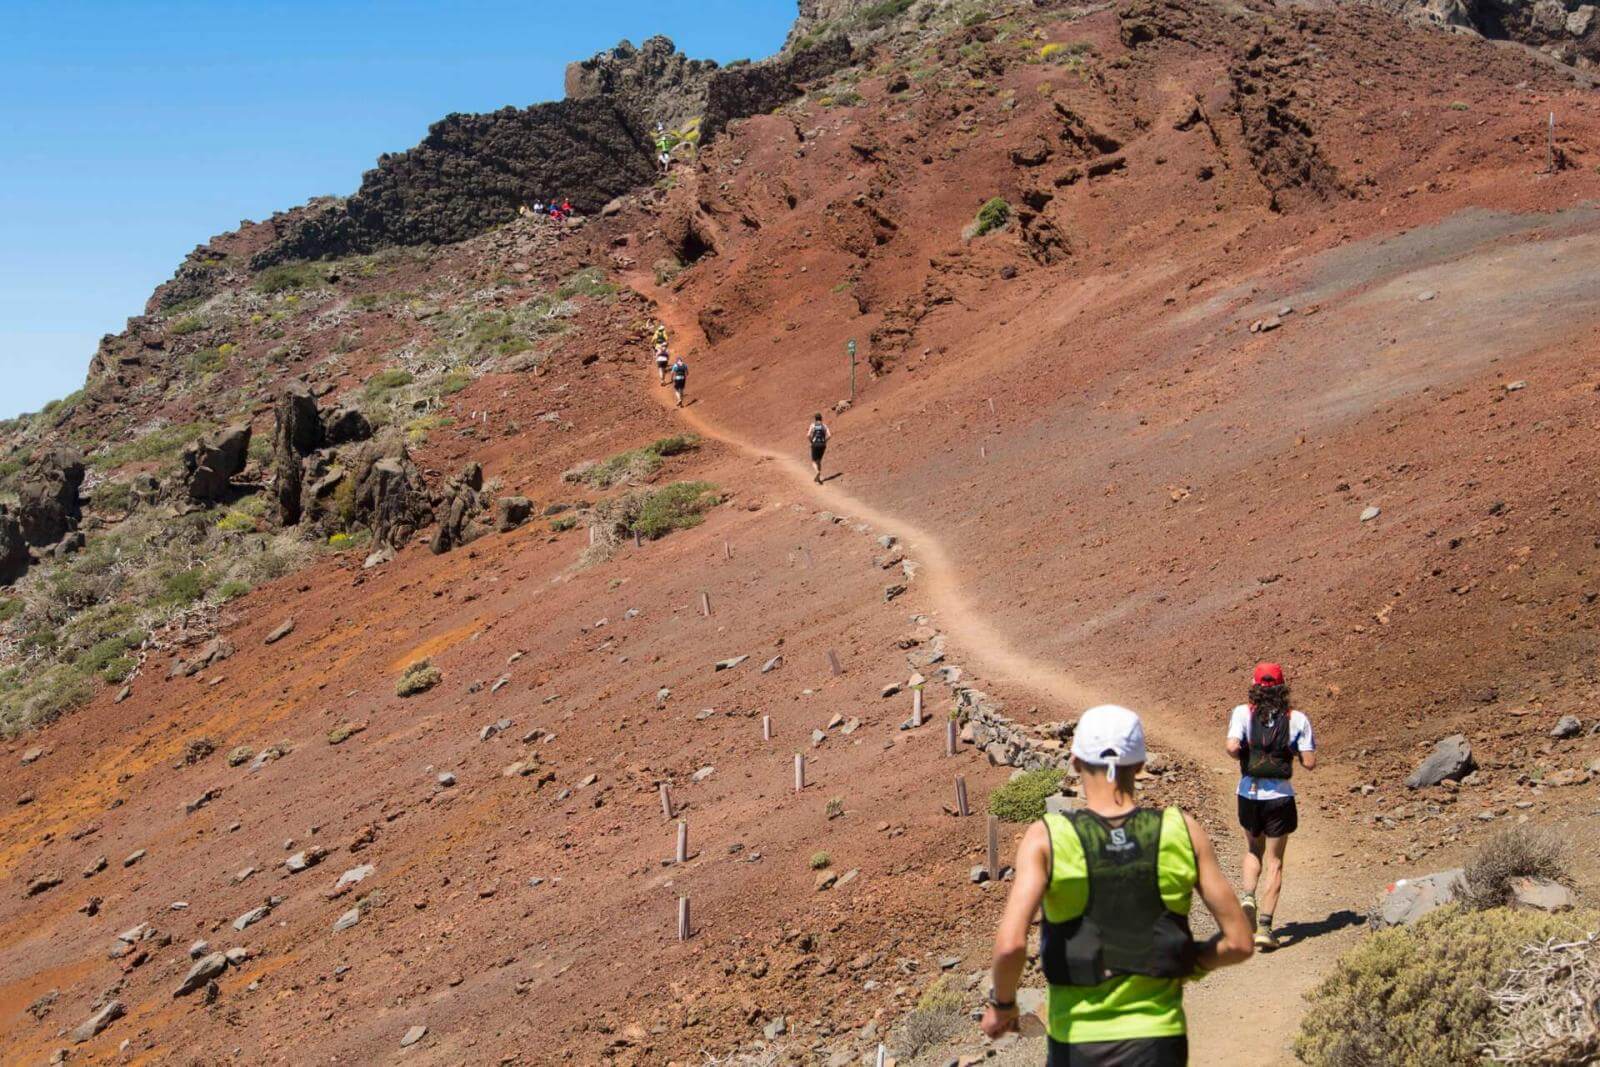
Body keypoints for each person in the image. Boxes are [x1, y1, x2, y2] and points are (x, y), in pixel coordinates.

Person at [982, 704, 1253, 1066]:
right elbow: (1239, 943)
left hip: (1076, 1045)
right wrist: (1186, 962)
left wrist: (1003, 1005)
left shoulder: (1047, 838)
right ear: (1140, 766)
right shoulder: (1181, 830)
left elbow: (1011, 945)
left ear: (1076, 761)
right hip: (1159, 1043)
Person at [1226, 662, 1316, 952]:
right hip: (1280, 797)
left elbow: (1230, 748)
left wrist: (1245, 751)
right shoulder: (1297, 718)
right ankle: (1265, 928)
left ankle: (1248, 895)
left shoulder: (1242, 713)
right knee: (1275, 862)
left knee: (1254, 850)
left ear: (1254, 685)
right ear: (1282, 687)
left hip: (1248, 793)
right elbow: (1310, 762)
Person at [806, 413, 831, 484]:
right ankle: (818, 479)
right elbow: (829, 435)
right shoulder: (824, 426)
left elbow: (808, 435)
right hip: (823, 445)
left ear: (815, 419)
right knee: (819, 461)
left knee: (814, 461)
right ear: (821, 418)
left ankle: (817, 472)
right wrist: (825, 441)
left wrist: (811, 441)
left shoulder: (813, 425)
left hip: (815, 444)